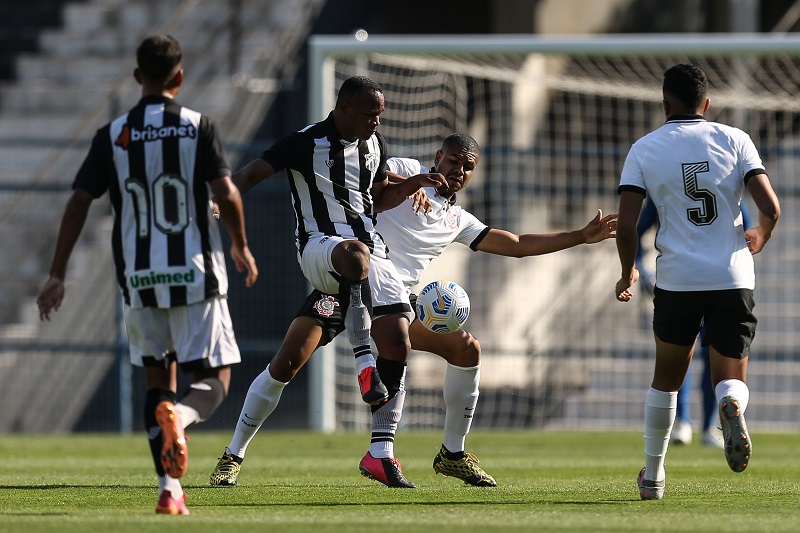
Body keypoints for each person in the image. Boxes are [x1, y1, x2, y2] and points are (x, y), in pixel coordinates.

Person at [209, 133, 617, 488]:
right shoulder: (405, 167)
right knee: (286, 363)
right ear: (438, 156)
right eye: (453, 160)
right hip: (349, 281)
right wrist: (411, 183)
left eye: (468, 167)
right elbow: (368, 187)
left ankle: (450, 455)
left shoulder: (456, 218)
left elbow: (514, 244)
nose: (458, 170)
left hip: (396, 302)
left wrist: (581, 236)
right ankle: (232, 455)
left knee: (466, 349)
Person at [36, 35, 258, 516]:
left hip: (138, 276)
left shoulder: (113, 134)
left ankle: (169, 489)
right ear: (179, 77)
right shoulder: (198, 127)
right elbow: (228, 191)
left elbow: (79, 201)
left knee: (159, 378)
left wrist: (57, 273)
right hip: (196, 270)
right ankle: (181, 416)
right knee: (215, 377)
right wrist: (240, 244)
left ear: (137, 77)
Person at [614, 64, 780, 501]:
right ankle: (731, 404)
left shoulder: (644, 149)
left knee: (666, 378)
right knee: (729, 375)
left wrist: (627, 269)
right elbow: (772, 207)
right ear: (707, 104)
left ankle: (653, 477)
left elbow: (627, 226)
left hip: (678, 279)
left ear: (665, 103)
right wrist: (761, 233)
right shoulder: (735, 138)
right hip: (732, 275)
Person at [229, 76, 442, 409]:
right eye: (371, 113)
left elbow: (380, 198)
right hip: (320, 246)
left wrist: (413, 183)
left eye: (380, 114)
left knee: (397, 342)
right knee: (356, 256)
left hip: (372, 256)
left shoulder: (375, 145)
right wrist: (217, 201)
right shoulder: (304, 143)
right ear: (344, 108)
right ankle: (362, 363)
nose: (377, 121)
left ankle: (381, 452)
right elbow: (248, 175)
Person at [637, 198, 752, 449]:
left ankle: (685, 425)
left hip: (680, 283)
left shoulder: (664, 180)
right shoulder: (723, 181)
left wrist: (636, 269)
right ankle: (707, 424)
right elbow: (753, 225)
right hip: (721, 283)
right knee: (714, 359)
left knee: (678, 358)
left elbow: (634, 230)